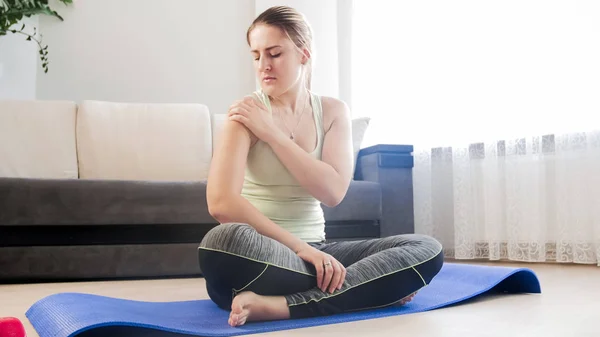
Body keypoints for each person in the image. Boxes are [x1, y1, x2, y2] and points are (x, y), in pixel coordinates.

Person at [199, 5, 443, 327]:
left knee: (426, 248)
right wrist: (303, 251)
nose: (264, 66)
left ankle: (282, 307)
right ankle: (369, 288)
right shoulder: (244, 115)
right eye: (256, 56)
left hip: (319, 252)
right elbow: (221, 204)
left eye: (274, 53)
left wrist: (272, 135)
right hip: (264, 256)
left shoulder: (332, 112)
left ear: (303, 54)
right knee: (223, 241)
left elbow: (332, 192)